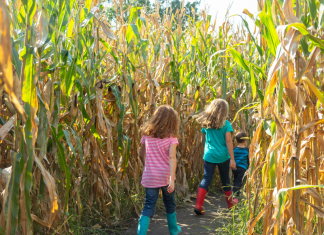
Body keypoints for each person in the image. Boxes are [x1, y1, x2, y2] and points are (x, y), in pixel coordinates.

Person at [137, 105, 182, 235]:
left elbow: (141, 154)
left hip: (150, 176)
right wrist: (171, 180)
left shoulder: (147, 135)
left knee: (149, 205)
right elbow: (172, 158)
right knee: (169, 202)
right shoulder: (171, 138)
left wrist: (148, 167)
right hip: (165, 176)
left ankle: (141, 233)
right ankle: (174, 229)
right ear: (172, 121)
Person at [194, 99, 236, 215]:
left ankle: (198, 205)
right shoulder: (226, 124)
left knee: (206, 178)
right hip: (223, 156)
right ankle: (230, 205)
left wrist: (207, 148)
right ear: (224, 111)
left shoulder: (206, 123)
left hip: (209, 155)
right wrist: (232, 159)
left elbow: (202, 139)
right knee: (225, 179)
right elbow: (228, 141)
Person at [232, 132, 249, 204]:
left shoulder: (234, 149)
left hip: (234, 168)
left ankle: (235, 194)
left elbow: (231, 158)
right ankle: (235, 197)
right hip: (243, 168)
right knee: (239, 182)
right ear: (245, 141)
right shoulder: (247, 150)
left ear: (236, 141)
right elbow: (249, 160)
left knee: (235, 180)